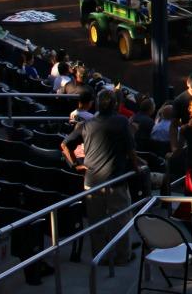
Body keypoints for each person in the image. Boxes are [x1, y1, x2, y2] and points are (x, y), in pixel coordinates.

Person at [61, 90, 146, 266]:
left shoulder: (86, 124)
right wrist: (137, 168)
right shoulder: (122, 122)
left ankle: (100, 257)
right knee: (121, 220)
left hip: (91, 183)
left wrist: (74, 164)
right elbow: (131, 150)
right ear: (115, 104)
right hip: (115, 182)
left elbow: (65, 144)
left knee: (96, 222)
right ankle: (122, 257)